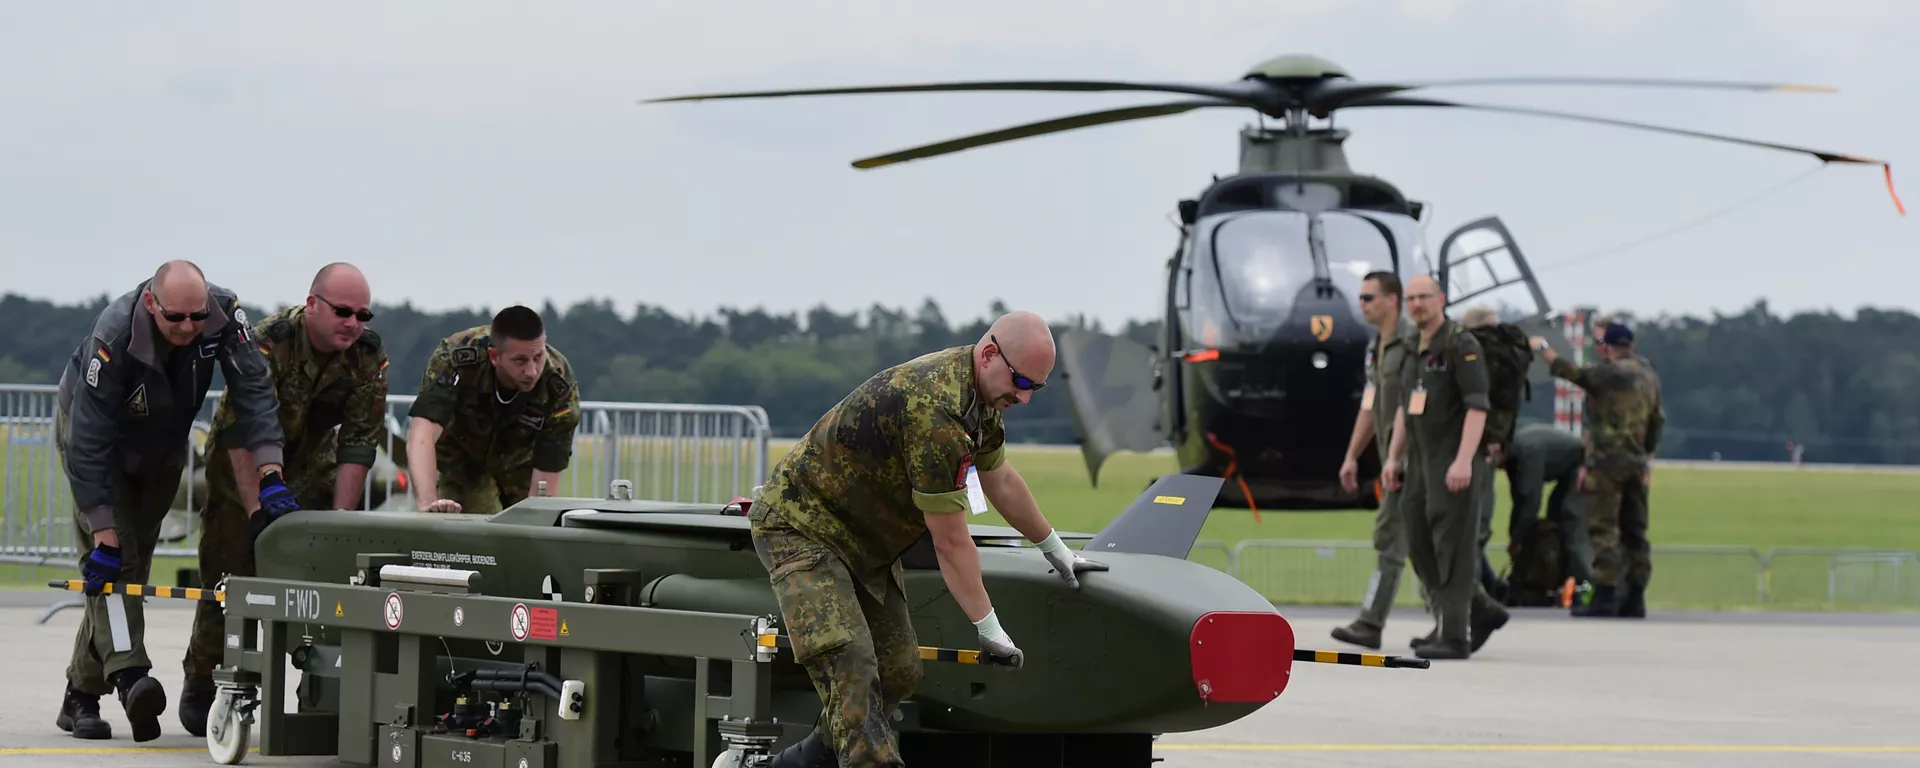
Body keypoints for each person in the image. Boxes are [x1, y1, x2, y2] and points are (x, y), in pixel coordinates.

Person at [747, 311, 1107, 768]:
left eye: (1035, 387)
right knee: (852, 666)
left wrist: (1056, 550)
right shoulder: (935, 412)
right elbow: (951, 542)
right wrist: (989, 629)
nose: (1024, 397)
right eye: (1020, 382)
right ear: (989, 354)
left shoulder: (980, 397)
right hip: (802, 526)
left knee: (897, 671)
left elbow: (998, 478)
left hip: (863, 542)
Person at [51, 261, 293, 742]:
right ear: (150, 303)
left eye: (196, 316)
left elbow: (254, 391)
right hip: (96, 446)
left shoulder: (223, 314)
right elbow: (87, 440)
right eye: (176, 317)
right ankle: (131, 676)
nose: (188, 327)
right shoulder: (114, 335)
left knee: (133, 567)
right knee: (115, 559)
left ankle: (80, 694)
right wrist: (101, 527)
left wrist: (270, 473)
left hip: (162, 447)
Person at [177, 262, 390, 736]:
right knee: (230, 574)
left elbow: (358, 443)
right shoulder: (269, 341)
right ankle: (206, 678)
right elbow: (239, 430)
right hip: (242, 463)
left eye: (362, 315)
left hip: (311, 464)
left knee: (327, 579)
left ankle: (319, 688)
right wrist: (257, 512)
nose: (353, 323)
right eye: (342, 311)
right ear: (312, 304)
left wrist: (340, 520)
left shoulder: (367, 356)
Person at [1382, 275, 1510, 660]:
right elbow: (1405, 408)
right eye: (1412, 298)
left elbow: (1477, 406)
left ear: (1440, 299)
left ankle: (1455, 636)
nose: (1417, 304)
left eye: (1424, 297)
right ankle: (1475, 612)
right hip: (1419, 462)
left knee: (1453, 549)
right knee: (1419, 541)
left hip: (1453, 460)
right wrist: (1393, 457)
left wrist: (1463, 461)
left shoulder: (1460, 344)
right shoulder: (1411, 346)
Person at [1533, 322, 1663, 617]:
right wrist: (1646, 458)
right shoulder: (1649, 375)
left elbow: (1568, 371)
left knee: (1604, 528)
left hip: (1606, 463)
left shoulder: (1608, 374)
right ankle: (1635, 596)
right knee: (1635, 529)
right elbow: (1657, 421)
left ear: (1607, 347)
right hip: (1635, 461)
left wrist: (1542, 347)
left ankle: (1605, 594)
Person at [405, 305, 582, 514]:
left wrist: (536, 521)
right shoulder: (457, 358)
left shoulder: (558, 385)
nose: (532, 371)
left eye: (538, 357)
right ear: (494, 356)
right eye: (520, 360)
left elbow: (547, 473)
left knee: (527, 522)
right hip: (462, 459)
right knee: (474, 521)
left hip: (519, 464)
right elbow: (422, 435)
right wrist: (428, 503)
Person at [1330, 271, 1421, 650]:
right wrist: (1351, 455)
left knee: (1392, 538)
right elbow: (1370, 404)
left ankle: (1371, 623)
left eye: (1369, 297)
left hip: (1414, 461)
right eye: (1361, 297)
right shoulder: (1377, 346)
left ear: (1392, 300)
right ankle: (1474, 614)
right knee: (1421, 543)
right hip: (1394, 461)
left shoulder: (1413, 341)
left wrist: (1397, 457)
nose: (1362, 304)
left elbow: (1410, 405)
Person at [1496, 423, 1594, 602]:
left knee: (1571, 517)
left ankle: (1589, 583)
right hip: (1567, 471)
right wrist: (1515, 536)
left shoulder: (1526, 453)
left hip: (1582, 466)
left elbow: (1530, 501)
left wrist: (1518, 541)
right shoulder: (1514, 455)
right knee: (1553, 519)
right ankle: (1558, 580)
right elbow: (1519, 499)